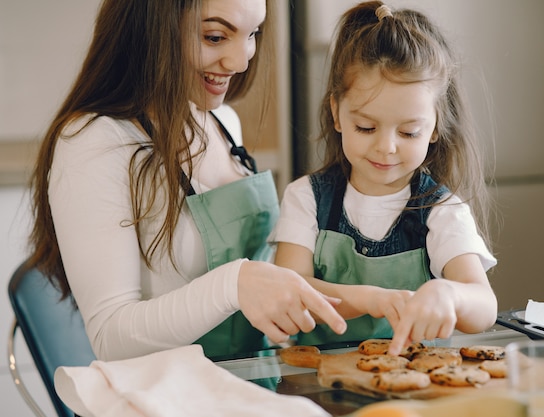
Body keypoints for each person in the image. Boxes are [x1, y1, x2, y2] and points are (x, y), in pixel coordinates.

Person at [27, 0, 346, 361]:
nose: (240, 62)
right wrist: (233, 284)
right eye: (214, 36)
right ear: (151, 28)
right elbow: (110, 335)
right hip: (166, 396)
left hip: (252, 376)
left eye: (252, 34)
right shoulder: (93, 142)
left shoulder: (222, 120)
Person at [269, 1, 498, 356]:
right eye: (366, 127)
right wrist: (367, 298)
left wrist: (449, 294)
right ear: (337, 114)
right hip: (318, 384)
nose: (386, 147)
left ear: (435, 127)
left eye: (408, 133)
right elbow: (289, 289)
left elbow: (484, 307)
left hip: (419, 385)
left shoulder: (441, 210)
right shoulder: (306, 199)